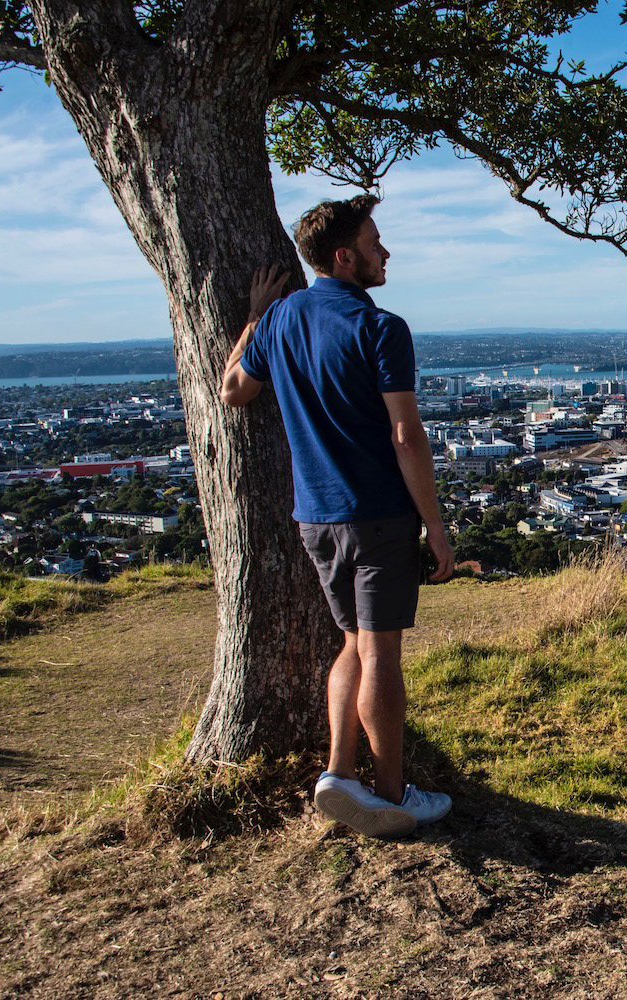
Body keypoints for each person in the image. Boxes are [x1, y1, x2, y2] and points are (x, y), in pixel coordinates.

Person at [220, 194, 455, 839]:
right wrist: (435, 527)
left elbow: (232, 391)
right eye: (377, 240)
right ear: (345, 255)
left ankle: (338, 774)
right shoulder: (382, 327)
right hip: (378, 512)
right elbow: (406, 436)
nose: (387, 252)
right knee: (382, 653)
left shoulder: (279, 322)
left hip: (315, 516)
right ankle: (391, 793)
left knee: (352, 643)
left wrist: (255, 319)